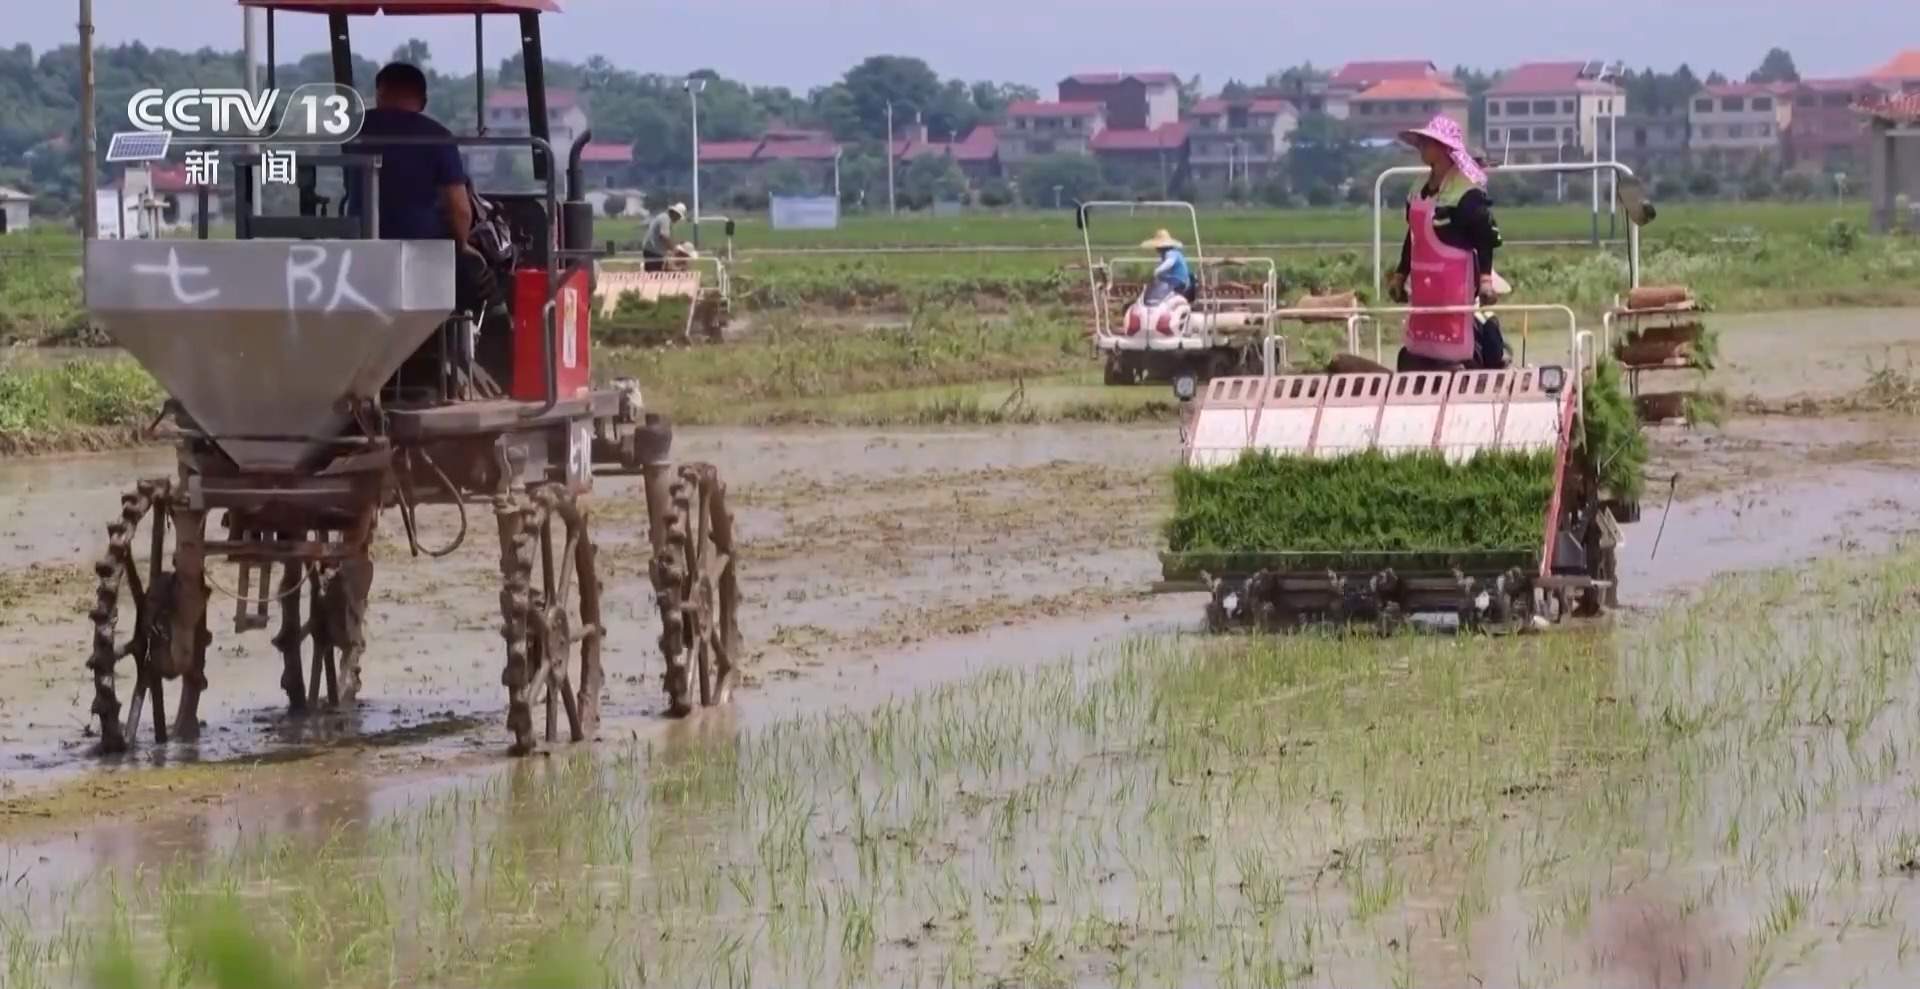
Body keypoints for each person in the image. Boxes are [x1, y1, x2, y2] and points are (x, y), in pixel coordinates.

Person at [1386, 114, 1506, 372]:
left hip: (1457, 283)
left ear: (1443, 149)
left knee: (1469, 332)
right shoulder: (1418, 188)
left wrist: (1485, 280)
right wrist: (1400, 274)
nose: (1421, 147)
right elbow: (1414, 235)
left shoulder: (1467, 192)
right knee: (1419, 343)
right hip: (1425, 287)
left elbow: (1484, 238)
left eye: (1427, 143)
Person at [353, 62, 472, 246]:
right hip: (422, 244)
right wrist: (463, 247)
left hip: (356, 240)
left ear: (378, 95)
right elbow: (460, 211)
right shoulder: (438, 137)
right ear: (423, 102)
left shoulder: (352, 130)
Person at [1141, 229, 1194, 301]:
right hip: (1175, 280)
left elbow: (1169, 263)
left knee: (1160, 292)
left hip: (1178, 280)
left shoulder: (1171, 253)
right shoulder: (1168, 254)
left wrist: (1157, 271)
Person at [642, 203, 689, 272]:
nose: (678, 219)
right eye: (678, 217)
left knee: (655, 273)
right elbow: (664, 236)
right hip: (653, 251)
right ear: (675, 213)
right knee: (655, 274)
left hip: (654, 251)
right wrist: (674, 250)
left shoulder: (665, 219)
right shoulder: (665, 219)